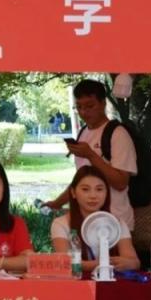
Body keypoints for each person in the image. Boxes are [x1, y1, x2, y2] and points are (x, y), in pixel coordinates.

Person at [45, 79, 138, 231]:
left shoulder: (118, 134)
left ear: (103, 103)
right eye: (79, 107)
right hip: (87, 223)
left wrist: (91, 155)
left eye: (90, 106)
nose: (83, 112)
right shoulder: (83, 133)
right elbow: (81, 181)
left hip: (115, 224)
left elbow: (121, 182)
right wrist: (57, 203)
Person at [49, 166, 139, 272]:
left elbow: (134, 262)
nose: (93, 196)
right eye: (85, 189)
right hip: (79, 281)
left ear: (107, 192)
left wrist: (128, 263)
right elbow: (66, 262)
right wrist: (102, 264)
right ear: (73, 192)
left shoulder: (117, 223)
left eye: (99, 189)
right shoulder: (60, 224)